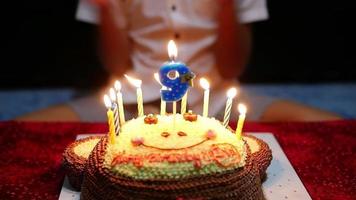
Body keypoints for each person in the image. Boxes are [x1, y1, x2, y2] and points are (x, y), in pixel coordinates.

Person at [16, 0, 341, 122]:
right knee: (18, 130)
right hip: (132, 103)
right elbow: (115, 66)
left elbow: (232, 67)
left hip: (216, 100)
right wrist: (106, 8)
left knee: (334, 127)